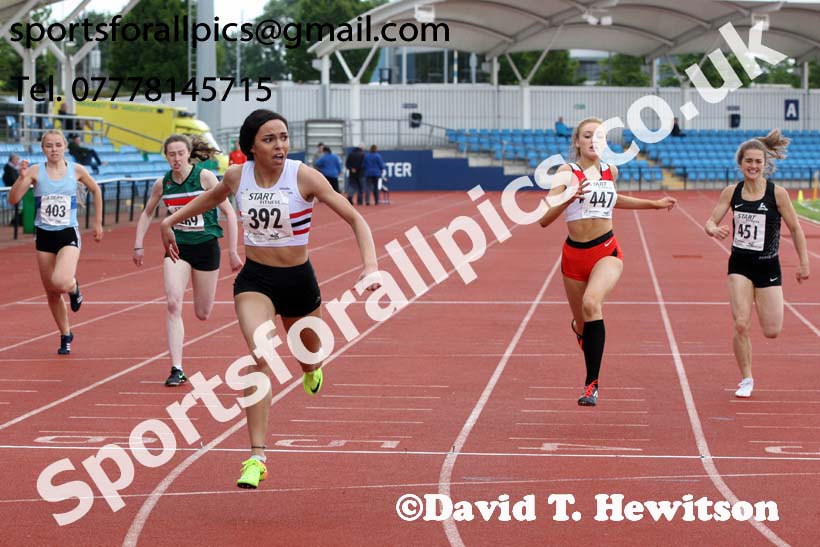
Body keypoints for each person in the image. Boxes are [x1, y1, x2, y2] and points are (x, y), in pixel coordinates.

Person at [159, 109, 381, 489]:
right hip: (256, 280)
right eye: (269, 139)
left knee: (310, 355)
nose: (280, 145)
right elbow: (209, 199)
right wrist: (169, 222)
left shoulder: (303, 176)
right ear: (252, 147)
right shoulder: (236, 176)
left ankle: (311, 368)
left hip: (298, 281)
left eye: (283, 137)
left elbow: (356, 219)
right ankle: (256, 456)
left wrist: (371, 266)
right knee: (260, 354)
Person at [538, 117, 677, 406]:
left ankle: (591, 385)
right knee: (583, 324)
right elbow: (543, 220)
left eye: (599, 136)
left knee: (592, 304)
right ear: (577, 141)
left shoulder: (609, 170)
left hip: (606, 252)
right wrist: (567, 198)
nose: (593, 141)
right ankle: (580, 330)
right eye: (587, 136)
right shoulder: (567, 172)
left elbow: (614, 199)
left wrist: (653, 204)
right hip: (573, 257)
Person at [704, 129, 809, 398]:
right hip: (739, 264)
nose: (753, 166)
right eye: (748, 161)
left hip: (768, 266)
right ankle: (747, 378)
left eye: (757, 162)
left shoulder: (778, 194)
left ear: (765, 164)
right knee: (741, 323)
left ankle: (765, 313)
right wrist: (712, 229)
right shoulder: (732, 191)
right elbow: (711, 220)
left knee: (772, 331)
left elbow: (796, 229)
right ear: (740, 164)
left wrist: (803, 263)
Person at [133, 134, 242, 387]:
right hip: (177, 248)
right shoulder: (162, 184)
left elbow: (229, 213)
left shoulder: (205, 178)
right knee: (172, 303)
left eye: (180, 153)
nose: (176, 159)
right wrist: (138, 244)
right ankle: (177, 368)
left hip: (206, 247)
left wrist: (233, 251)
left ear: (188, 153)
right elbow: (147, 213)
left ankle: (179, 360)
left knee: (203, 313)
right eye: (171, 154)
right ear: (166, 156)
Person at [8, 130, 103, 354]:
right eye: (49, 146)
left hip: (68, 233)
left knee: (60, 280)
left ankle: (74, 288)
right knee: (51, 292)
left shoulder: (76, 170)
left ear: (64, 147)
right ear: (43, 149)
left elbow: (96, 190)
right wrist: (21, 179)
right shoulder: (34, 171)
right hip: (44, 235)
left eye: (58, 145)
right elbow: (13, 200)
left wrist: (98, 223)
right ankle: (65, 334)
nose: (54, 149)